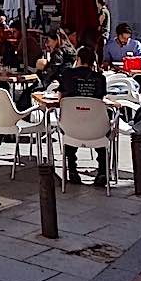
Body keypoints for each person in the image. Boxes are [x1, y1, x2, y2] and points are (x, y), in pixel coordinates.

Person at [56, 46, 109, 186]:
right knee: (101, 128)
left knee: (73, 121)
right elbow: (100, 100)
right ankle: (102, 171)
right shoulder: (100, 78)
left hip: (71, 128)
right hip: (96, 129)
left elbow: (60, 99)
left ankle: (72, 170)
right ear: (93, 62)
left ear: (77, 59)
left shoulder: (67, 75)